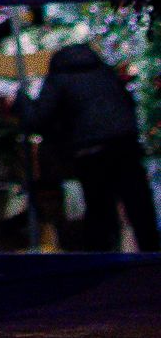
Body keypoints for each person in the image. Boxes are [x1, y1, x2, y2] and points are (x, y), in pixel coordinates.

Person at [22, 41, 158, 253]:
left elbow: (39, 119)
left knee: (100, 212)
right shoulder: (104, 72)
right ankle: (152, 263)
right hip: (124, 145)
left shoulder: (60, 78)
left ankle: (105, 268)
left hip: (91, 152)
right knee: (139, 207)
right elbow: (127, 104)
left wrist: (20, 101)